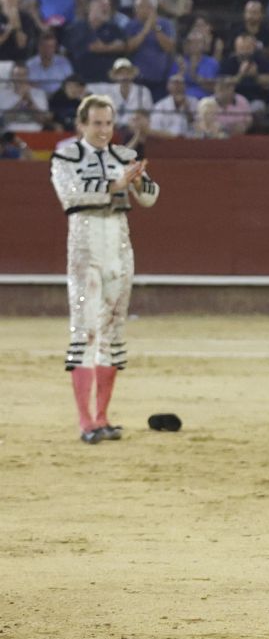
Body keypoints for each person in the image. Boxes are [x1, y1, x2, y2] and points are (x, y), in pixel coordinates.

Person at [51, 94, 159, 443]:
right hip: (86, 250)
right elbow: (71, 195)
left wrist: (139, 181)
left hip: (119, 249)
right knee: (85, 332)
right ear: (82, 125)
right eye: (96, 123)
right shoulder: (65, 156)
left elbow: (151, 196)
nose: (103, 130)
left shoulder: (125, 156)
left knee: (112, 333)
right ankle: (85, 422)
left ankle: (102, 417)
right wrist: (116, 185)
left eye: (108, 123)